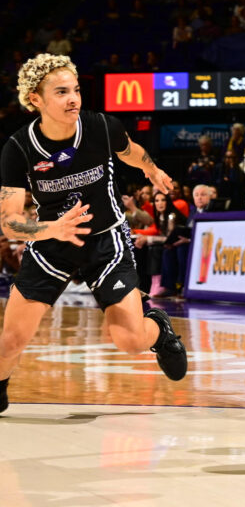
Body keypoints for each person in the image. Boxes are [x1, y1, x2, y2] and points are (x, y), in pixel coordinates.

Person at [0, 55, 187, 414]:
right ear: (35, 100)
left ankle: (159, 331)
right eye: (61, 92)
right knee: (11, 340)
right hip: (52, 243)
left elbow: (132, 152)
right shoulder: (18, 147)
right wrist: (52, 228)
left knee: (130, 339)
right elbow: (9, 223)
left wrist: (153, 169)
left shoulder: (102, 126)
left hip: (107, 239)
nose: (73, 98)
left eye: (76, 90)